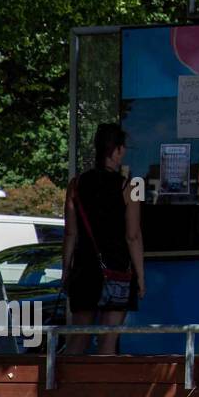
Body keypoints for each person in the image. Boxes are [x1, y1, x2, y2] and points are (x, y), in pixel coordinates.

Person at [62, 124, 145, 355]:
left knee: (78, 339)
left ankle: (69, 388)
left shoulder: (75, 185)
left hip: (84, 270)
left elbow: (70, 233)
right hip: (117, 270)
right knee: (108, 341)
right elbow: (133, 235)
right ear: (117, 150)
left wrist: (66, 271)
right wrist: (140, 275)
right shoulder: (130, 187)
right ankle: (103, 390)